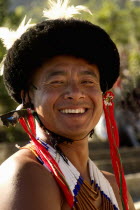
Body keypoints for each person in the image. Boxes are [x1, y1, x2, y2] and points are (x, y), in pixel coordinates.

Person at [0, 0, 135, 209]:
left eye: (87, 82)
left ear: (103, 95)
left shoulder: (111, 184)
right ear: (27, 97)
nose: (75, 94)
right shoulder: (27, 175)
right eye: (57, 82)